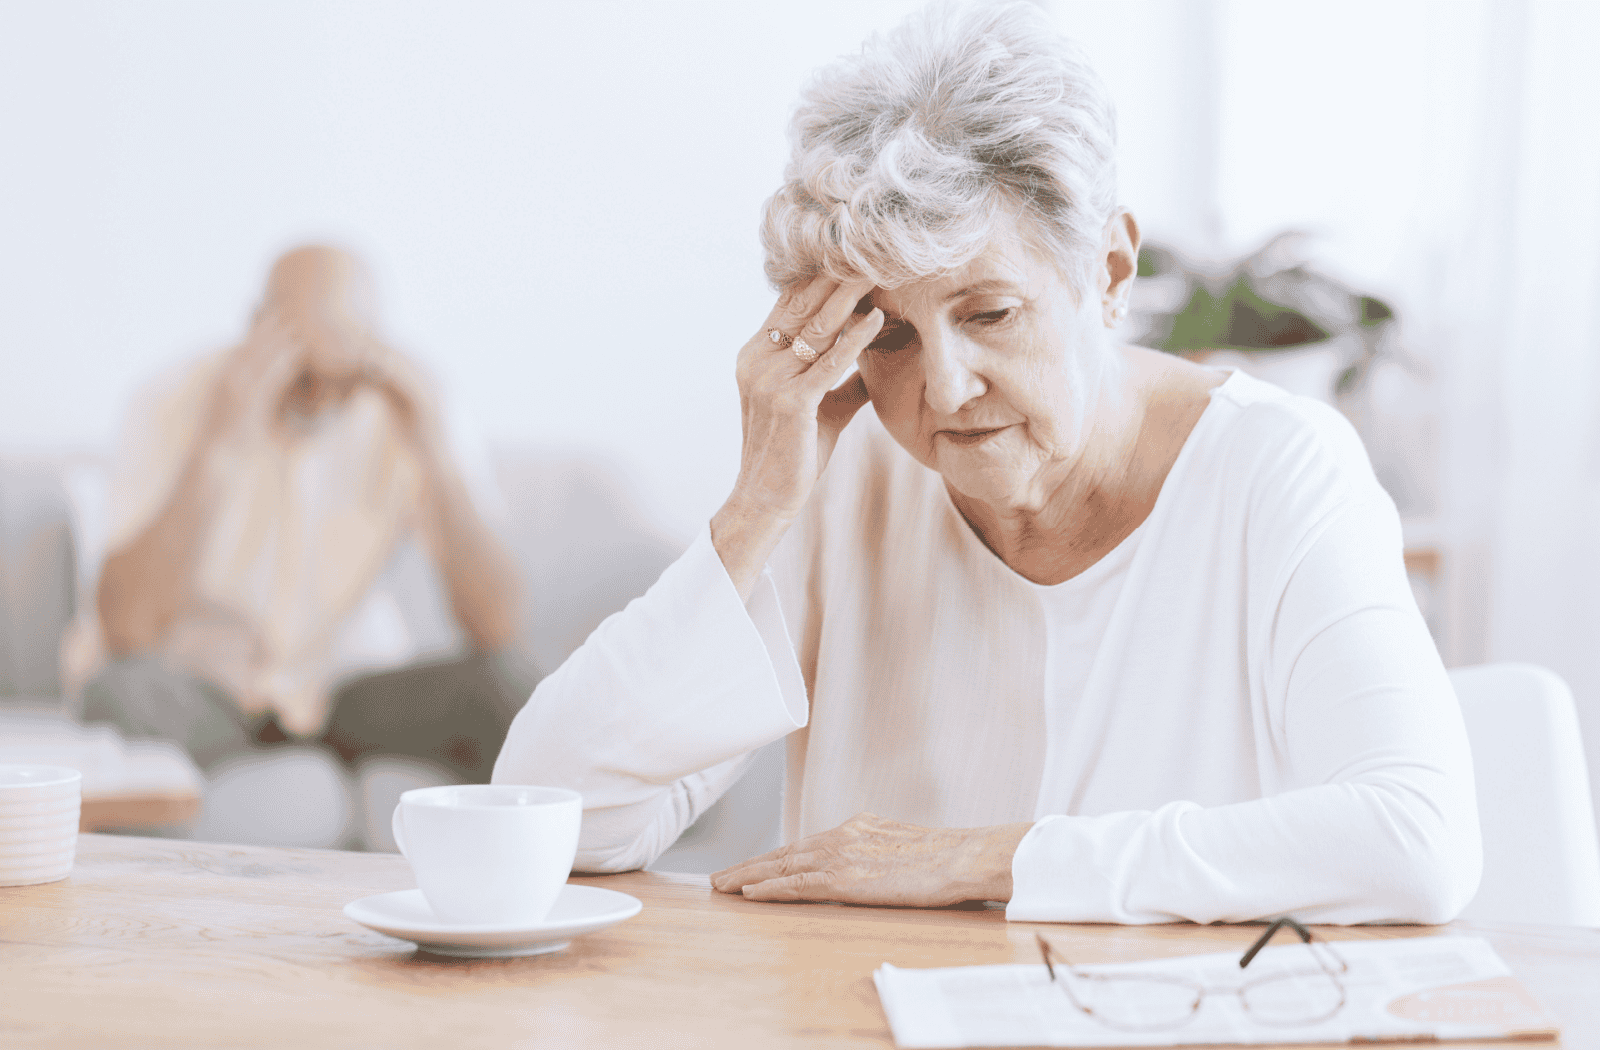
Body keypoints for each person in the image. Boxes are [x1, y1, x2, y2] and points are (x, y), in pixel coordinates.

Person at [492, 2, 1481, 924]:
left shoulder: (1277, 468)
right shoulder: (845, 476)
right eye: (888, 335)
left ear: (1107, 272)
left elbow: (1416, 839)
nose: (945, 388)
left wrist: (988, 860)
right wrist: (754, 508)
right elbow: (558, 820)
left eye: (989, 314)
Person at [75, 246, 535, 834]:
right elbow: (126, 630)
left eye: (337, 374)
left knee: (511, 687)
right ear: (256, 330)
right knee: (117, 695)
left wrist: (433, 451)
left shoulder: (411, 408)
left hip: (344, 695)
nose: (318, 400)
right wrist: (219, 443)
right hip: (211, 693)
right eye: (300, 371)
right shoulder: (173, 399)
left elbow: (501, 629)